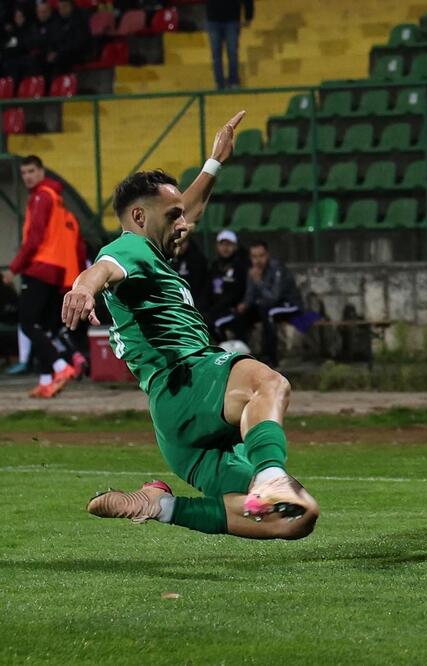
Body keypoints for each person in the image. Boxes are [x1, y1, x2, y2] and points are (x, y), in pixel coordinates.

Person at [61, 111, 319, 540]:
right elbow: (102, 268)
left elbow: (190, 206)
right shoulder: (130, 248)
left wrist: (214, 162)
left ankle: (160, 506)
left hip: (178, 426)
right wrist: (82, 288)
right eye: (173, 216)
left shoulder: (151, 246)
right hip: (190, 381)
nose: (184, 224)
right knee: (268, 384)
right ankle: (270, 474)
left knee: (294, 515)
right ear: (141, 218)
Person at [2, 155, 86, 398]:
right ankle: (46, 379)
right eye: (24, 172)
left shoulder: (41, 196)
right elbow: (77, 245)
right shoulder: (58, 201)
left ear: (41, 172)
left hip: (40, 268)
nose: (27, 176)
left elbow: (34, 239)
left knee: (27, 324)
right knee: (44, 329)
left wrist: (14, 269)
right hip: (59, 273)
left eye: (31, 171)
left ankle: (60, 367)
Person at [231, 240, 302, 368]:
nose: (258, 260)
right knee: (241, 315)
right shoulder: (252, 271)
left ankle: (270, 357)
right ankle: (242, 356)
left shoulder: (277, 269)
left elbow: (275, 297)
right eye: (254, 257)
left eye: (261, 256)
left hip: (288, 304)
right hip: (266, 306)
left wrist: (258, 281)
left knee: (268, 313)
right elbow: (250, 295)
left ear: (267, 255)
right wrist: (244, 305)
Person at [204, 228, 249, 339]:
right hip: (216, 308)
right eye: (222, 244)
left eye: (229, 244)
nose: (225, 248)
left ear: (235, 246)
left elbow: (238, 291)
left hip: (232, 310)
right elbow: (208, 289)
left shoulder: (241, 265)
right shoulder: (214, 265)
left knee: (214, 324)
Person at [205, 0, 253, 90]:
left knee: (232, 53)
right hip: (214, 18)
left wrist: (248, 15)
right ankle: (220, 83)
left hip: (232, 19)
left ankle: (233, 81)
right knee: (217, 54)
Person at [46, 0, 92, 75]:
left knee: (60, 59)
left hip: (78, 52)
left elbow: (79, 42)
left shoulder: (79, 19)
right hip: (62, 52)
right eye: (60, 8)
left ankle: (61, 84)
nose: (62, 10)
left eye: (65, 7)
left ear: (71, 7)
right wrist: (51, 51)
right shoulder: (58, 22)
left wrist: (59, 52)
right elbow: (53, 40)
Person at [173, 235, 210, 314]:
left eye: (183, 242)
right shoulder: (171, 258)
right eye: (178, 242)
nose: (180, 245)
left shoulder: (197, 259)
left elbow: (201, 286)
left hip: (194, 303)